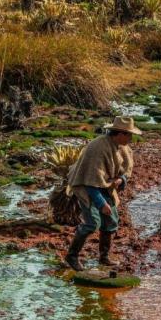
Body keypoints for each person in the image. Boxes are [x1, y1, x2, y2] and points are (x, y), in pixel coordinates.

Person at [64, 116, 138, 271]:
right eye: (129, 135)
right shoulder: (97, 148)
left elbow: (125, 171)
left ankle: (104, 257)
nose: (131, 138)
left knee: (111, 221)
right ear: (120, 133)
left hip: (106, 186)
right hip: (86, 186)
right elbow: (90, 180)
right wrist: (101, 203)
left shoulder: (122, 147)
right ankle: (72, 256)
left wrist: (121, 179)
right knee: (92, 223)